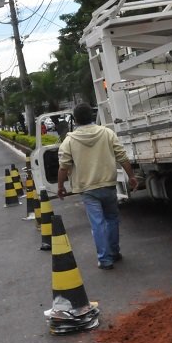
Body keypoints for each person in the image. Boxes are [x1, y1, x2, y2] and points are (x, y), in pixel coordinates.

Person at [57, 102, 139, 270]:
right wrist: (131, 176)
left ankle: (105, 259)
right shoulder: (107, 133)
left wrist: (60, 186)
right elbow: (122, 157)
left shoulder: (69, 141)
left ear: (76, 119)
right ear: (92, 116)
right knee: (112, 219)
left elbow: (63, 166)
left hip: (87, 189)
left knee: (98, 224)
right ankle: (115, 252)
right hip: (108, 184)